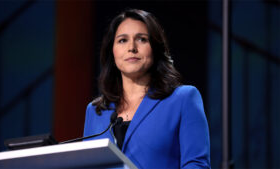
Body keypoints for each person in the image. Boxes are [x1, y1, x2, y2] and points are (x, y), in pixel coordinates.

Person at [83, 9, 210, 169]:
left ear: (155, 48)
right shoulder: (95, 110)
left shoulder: (183, 99)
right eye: (122, 40)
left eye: (142, 39)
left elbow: (196, 165)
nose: (132, 47)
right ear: (112, 52)